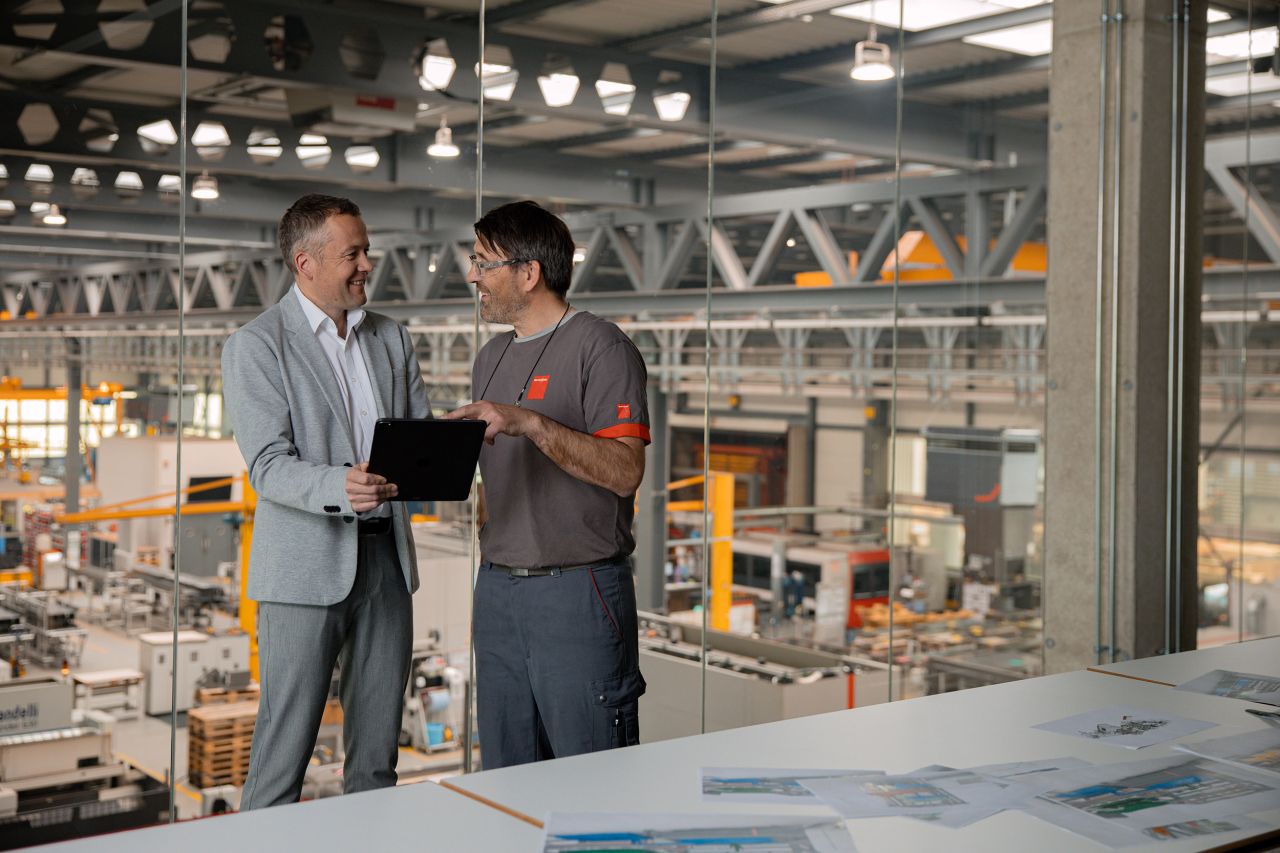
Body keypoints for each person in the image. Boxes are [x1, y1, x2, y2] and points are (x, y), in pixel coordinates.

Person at [221, 193, 431, 808]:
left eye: (367, 250)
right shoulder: (258, 345)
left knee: (376, 763)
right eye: (353, 253)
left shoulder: (391, 338)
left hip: (386, 564)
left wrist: (445, 453)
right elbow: (266, 465)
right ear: (305, 262)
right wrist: (337, 486)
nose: (368, 264)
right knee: (282, 759)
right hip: (303, 573)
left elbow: (413, 435)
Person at [444, 200, 649, 769]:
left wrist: (530, 422)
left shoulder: (602, 348)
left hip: (577, 591)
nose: (472, 276)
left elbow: (625, 470)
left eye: (484, 263)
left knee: (592, 774)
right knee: (507, 772)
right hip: (498, 591)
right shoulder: (491, 354)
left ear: (528, 272)